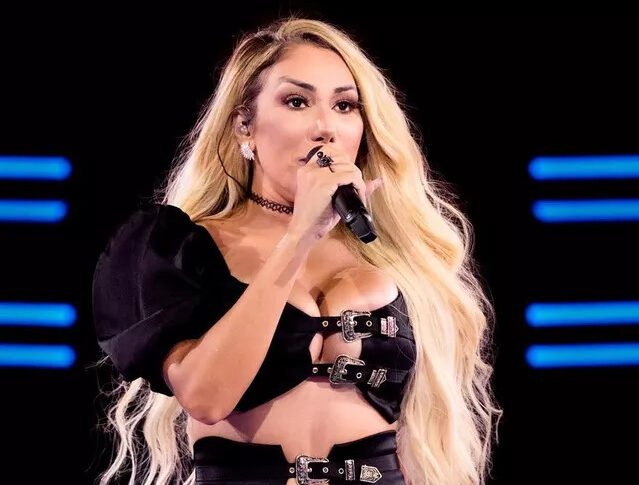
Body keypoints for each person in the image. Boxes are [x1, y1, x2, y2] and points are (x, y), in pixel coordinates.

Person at [92, 16, 501, 485]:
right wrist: (299, 236)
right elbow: (206, 398)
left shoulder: (395, 250)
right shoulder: (177, 248)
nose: (325, 127)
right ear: (245, 126)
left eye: (345, 105)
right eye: (297, 101)